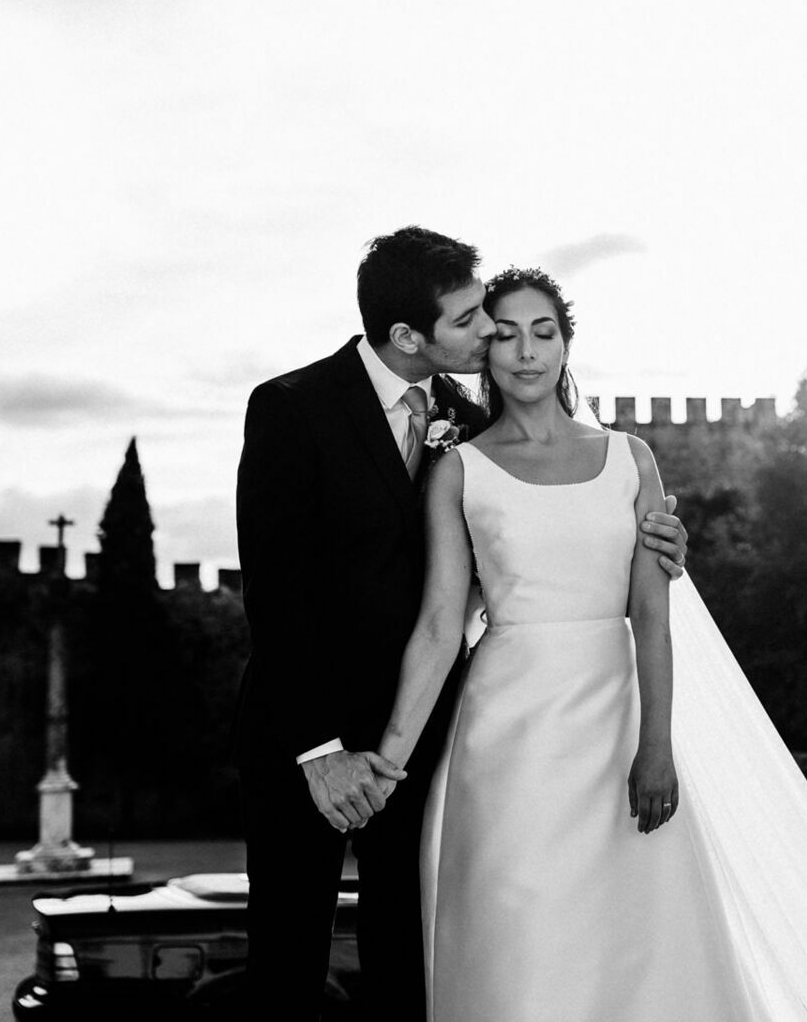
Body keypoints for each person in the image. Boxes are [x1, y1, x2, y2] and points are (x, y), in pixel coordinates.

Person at [374, 267, 807, 1021]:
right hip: (507, 738)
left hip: (619, 718)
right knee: (517, 930)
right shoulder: (458, 470)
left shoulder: (632, 459)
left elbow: (652, 618)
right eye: (505, 335)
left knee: (638, 940)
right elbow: (437, 625)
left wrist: (657, 743)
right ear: (484, 352)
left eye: (544, 332)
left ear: (566, 346)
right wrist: (388, 762)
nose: (526, 352)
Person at [233, 228, 687, 1020]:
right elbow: (275, 597)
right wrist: (322, 752)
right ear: (409, 336)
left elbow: (536, 535)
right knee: (288, 964)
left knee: (411, 959)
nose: (492, 336)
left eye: (508, 322)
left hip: (425, 733)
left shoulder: (462, 419)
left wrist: (657, 540)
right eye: (475, 319)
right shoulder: (292, 410)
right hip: (305, 739)